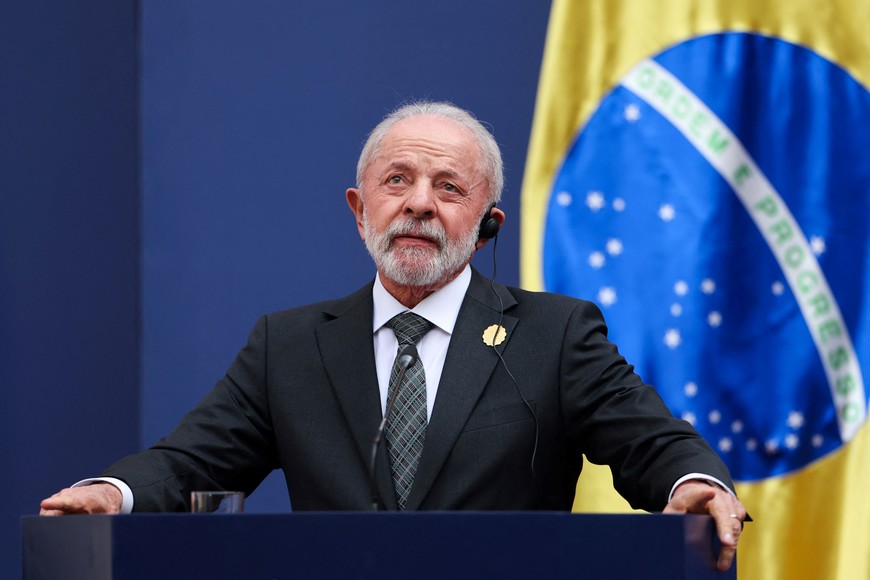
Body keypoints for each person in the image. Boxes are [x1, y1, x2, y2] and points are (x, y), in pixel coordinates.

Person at [41, 101, 747, 571]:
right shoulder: (289, 346)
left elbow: (652, 440)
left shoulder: (554, 336)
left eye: (448, 187)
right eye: (398, 179)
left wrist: (697, 483)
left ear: (487, 222)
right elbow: (190, 463)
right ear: (359, 208)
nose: (418, 203)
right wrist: (112, 493)